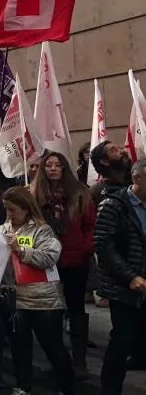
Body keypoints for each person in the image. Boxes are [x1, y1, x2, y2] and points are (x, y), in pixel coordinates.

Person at [0, 186, 75, 395]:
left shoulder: (42, 230)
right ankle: (23, 387)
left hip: (43, 300)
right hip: (14, 299)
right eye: (6, 210)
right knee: (19, 348)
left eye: (13, 210)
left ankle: (67, 388)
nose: (9, 214)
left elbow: (49, 257)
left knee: (53, 347)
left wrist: (20, 250)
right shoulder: (1, 231)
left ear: (26, 209)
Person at [31, 151, 96, 378]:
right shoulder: (34, 194)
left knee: (76, 309)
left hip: (75, 259)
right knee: (53, 311)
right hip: (47, 262)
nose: (53, 168)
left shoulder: (79, 193)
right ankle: (56, 356)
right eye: (48, 165)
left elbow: (90, 226)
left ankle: (79, 361)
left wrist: (86, 248)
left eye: (57, 165)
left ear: (64, 168)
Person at [94, 157, 146, 395]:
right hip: (124, 288)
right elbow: (104, 245)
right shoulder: (114, 204)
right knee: (121, 341)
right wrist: (129, 277)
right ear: (137, 178)